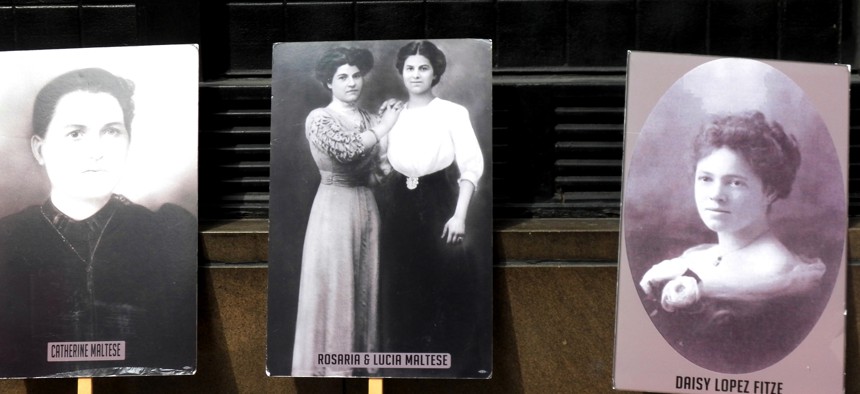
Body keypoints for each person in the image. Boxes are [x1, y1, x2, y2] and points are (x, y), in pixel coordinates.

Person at [0, 68, 197, 377]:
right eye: (75, 133)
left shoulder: (166, 234)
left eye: (111, 131)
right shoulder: (7, 239)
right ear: (40, 149)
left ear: (129, 141)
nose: (96, 152)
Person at [638, 111, 826, 373]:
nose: (715, 195)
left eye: (735, 183)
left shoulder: (774, 271)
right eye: (705, 179)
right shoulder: (700, 255)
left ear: (769, 191)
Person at [378, 40, 487, 376]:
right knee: (402, 279)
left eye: (423, 67)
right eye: (409, 68)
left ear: (435, 71)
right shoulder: (392, 112)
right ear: (401, 72)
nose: (415, 74)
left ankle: (450, 364)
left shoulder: (452, 112)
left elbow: (470, 167)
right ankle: (407, 365)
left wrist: (459, 215)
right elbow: (382, 167)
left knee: (447, 278)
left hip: (441, 199)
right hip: (399, 202)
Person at [291, 47, 402, 376]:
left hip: (367, 206)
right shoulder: (319, 118)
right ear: (329, 82)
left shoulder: (370, 119)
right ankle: (331, 372)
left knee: (365, 285)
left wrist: (394, 132)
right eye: (342, 77)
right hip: (333, 208)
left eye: (356, 75)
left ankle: (361, 375)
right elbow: (347, 151)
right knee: (337, 286)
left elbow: (380, 175)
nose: (352, 82)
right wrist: (384, 128)